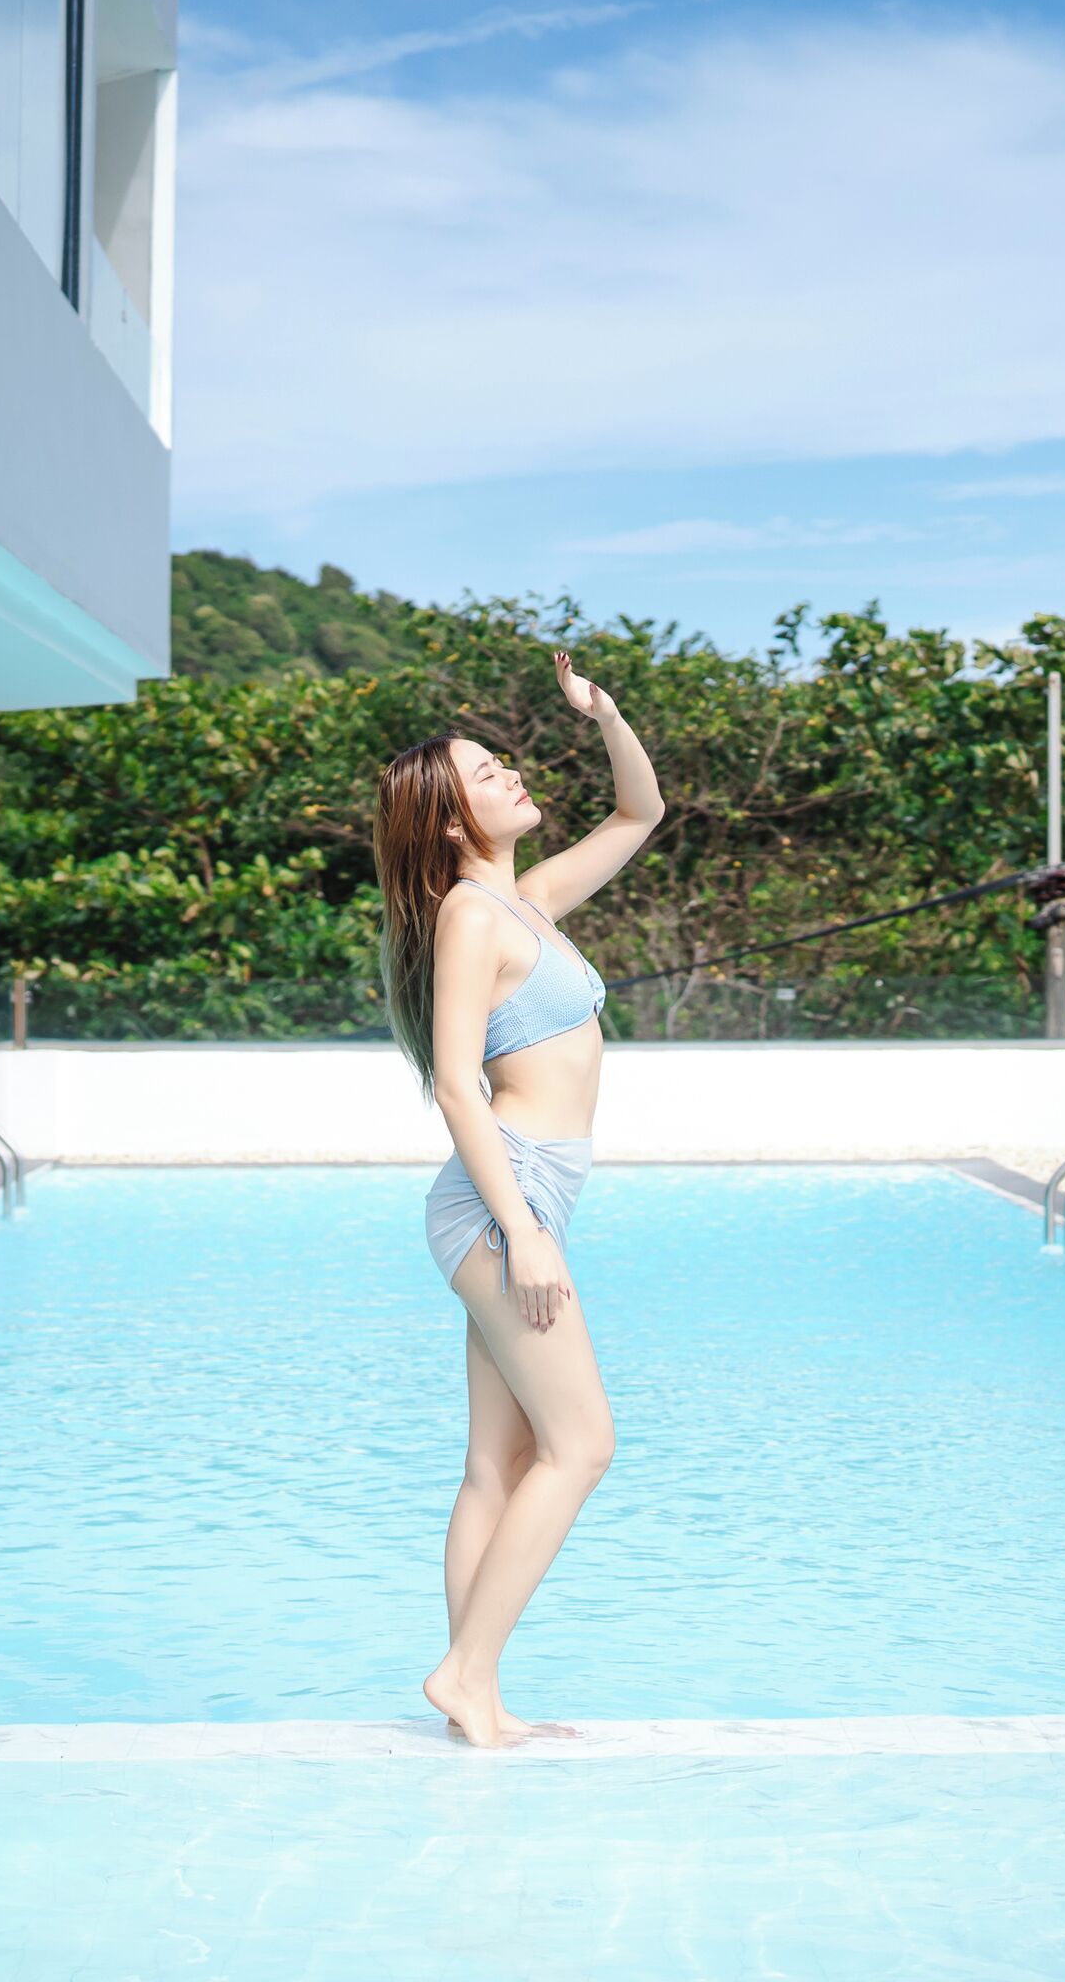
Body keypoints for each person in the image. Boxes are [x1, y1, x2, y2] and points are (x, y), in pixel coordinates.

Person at [374, 654, 663, 1748]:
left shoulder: (525, 900)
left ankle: (479, 1703)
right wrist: (527, 1232)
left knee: (496, 1465)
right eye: (486, 773)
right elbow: (457, 1085)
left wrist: (608, 715)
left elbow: (640, 812)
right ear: (453, 822)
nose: (511, 774)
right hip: (509, 1200)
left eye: (502, 761)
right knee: (582, 1444)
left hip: (525, 1197)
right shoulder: (470, 917)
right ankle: (464, 1672)